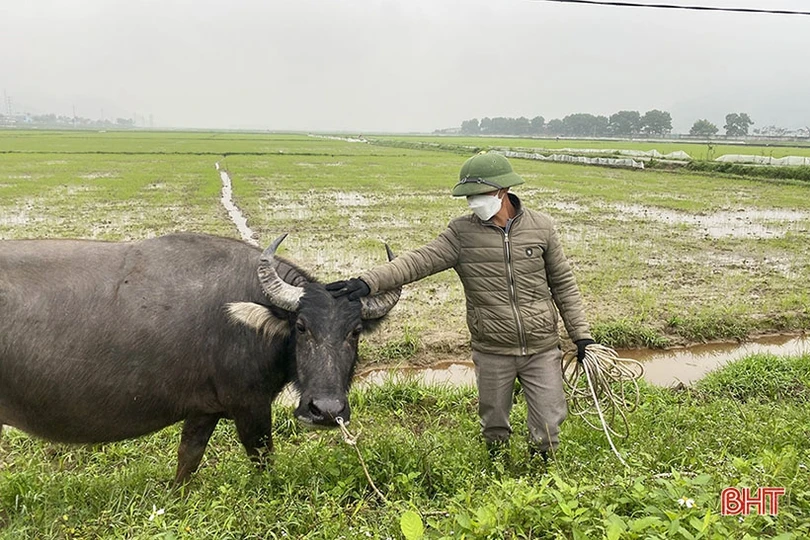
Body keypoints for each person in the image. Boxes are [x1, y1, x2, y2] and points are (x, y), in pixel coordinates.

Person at [326, 152, 595, 463]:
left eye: (479, 194)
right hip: (493, 349)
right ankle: (497, 467)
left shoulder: (541, 227)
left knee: (549, 422)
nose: (473, 202)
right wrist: (367, 282)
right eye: (469, 195)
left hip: (542, 348)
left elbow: (563, 284)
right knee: (494, 422)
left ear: (503, 190)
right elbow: (418, 261)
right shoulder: (461, 234)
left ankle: (543, 470)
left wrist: (582, 336)